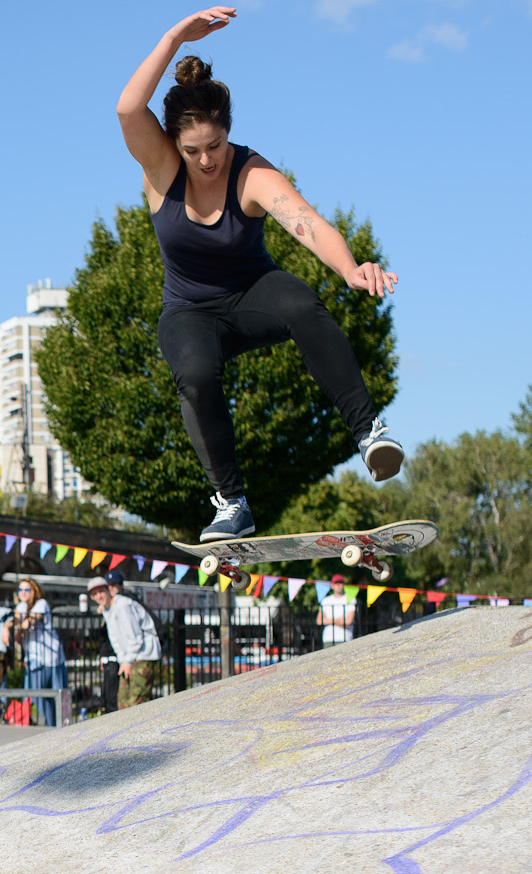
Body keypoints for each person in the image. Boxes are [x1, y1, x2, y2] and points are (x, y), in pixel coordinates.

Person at [118, 8, 403, 543]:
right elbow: (128, 107)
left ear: (229, 134)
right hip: (190, 312)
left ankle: (369, 433)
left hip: (252, 294)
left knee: (300, 302)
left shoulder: (251, 171)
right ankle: (232, 503)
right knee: (196, 375)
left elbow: (307, 224)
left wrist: (349, 268)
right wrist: (174, 36)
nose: (206, 161)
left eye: (216, 147)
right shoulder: (160, 166)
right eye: (193, 150)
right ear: (174, 145)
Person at [93, 571, 162, 709]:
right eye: (95, 594)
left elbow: (135, 637)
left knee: (136, 703)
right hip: (129, 658)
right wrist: (123, 660)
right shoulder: (108, 610)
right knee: (123, 704)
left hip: (142, 655)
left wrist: (128, 660)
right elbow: (115, 639)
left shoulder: (124, 604)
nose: (110, 589)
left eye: (113, 585)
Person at [4, 577, 65, 727]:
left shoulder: (41, 604)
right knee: (38, 696)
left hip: (51, 658)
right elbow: (16, 622)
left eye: (27, 589)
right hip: (33, 658)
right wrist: (7, 628)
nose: (23, 593)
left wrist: (20, 627)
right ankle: (51, 725)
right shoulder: (21, 607)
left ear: (34, 591)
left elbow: (31, 620)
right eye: (20, 590)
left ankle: (59, 725)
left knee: (56, 694)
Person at [317, 574, 355, 646]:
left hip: (345, 638)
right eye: (336, 583)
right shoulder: (325, 600)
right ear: (332, 585)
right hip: (328, 639)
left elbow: (348, 622)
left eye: (340, 583)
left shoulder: (350, 599)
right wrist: (340, 621)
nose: (338, 585)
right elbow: (319, 621)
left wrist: (329, 620)